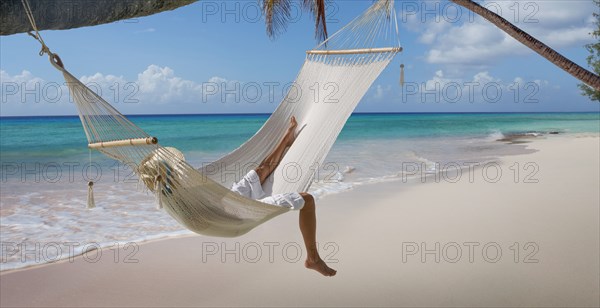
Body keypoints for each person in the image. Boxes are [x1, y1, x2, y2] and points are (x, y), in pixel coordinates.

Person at [230, 116, 337, 277]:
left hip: (229, 198)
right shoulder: (186, 203)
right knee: (307, 200)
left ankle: (287, 139)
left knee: (260, 171)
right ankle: (312, 258)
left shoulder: (187, 189)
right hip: (239, 212)